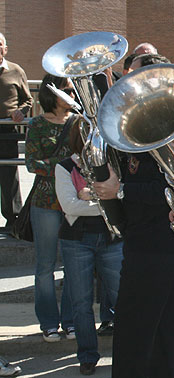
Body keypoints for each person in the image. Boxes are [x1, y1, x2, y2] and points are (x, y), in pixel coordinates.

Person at [83, 54, 174, 378]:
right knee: (159, 324)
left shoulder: (167, 122)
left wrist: (120, 190)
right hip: (145, 235)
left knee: (131, 325)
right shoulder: (138, 125)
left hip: (157, 238)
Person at [55, 116, 123, 375]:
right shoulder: (64, 167)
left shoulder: (111, 165)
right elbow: (70, 207)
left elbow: (121, 199)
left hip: (110, 239)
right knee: (81, 302)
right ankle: (87, 355)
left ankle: (127, 352)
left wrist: (91, 198)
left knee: (121, 297)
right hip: (76, 242)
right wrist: (105, 203)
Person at [25, 74, 75, 343]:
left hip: (74, 204)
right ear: (52, 94)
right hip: (45, 203)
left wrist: (57, 165)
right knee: (45, 266)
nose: (72, 93)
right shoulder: (37, 124)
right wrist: (65, 165)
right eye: (67, 90)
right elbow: (32, 163)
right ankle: (48, 323)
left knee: (73, 266)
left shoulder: (79, 123)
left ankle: (70, 321)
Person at [0, 32, 31, 230]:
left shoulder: (15, 71)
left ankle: (14, 222)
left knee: (9, 176)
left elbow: (28, 100)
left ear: (5, 48)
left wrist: (21, 111)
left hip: (7, 131)